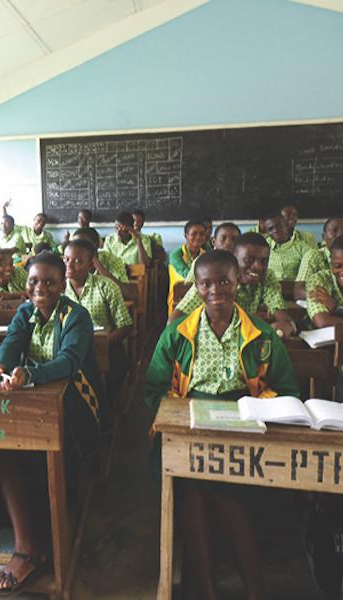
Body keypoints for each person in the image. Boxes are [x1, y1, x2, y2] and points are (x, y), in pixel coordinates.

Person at [145, 250, 299, 600]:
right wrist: (179, 417)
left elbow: (287, 390)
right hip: (189, 426)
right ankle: (215, 587)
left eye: (225, 281)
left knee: (217, 491)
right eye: (206, 283)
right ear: (196, 288)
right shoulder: (177, 334)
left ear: (239, 282)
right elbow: (154, 389)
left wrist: (257, 410)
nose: (216, 290)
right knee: (193, 487)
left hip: (245, 423)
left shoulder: (259, 334)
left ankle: (247, 586)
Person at [0, 252, 103, 596]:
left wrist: (30, 374)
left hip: (77, 402)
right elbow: (12, 343)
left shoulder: (76, 316)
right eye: (34, 281)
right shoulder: (26, 312)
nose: (41, 288)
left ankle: (32, 546)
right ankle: (28, 542)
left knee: (37, 452)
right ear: (26, 284)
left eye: (50, 282)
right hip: (34, 399)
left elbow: (69, 360)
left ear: (62, 285)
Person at [63, 239, 133, 421]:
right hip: (67, 349)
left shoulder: (106, 287)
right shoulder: (59, 289)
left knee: (114, 366)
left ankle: (106, 416)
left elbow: (125, 325)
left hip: (104, 346)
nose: (70, 265)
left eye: (78, 261)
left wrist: (101, 345)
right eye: (67, 259)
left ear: (90, 263)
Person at [175, 233, 296, 337]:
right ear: (234, 257)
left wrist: (287, 325)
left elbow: (280, 311)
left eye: (264, 261)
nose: (258, 267)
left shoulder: (266, 277)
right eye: (249, 260)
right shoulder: (215, 277)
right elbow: (174, 320)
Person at [293, 216, 343, 298]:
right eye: (334, 231)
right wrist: (326, 299)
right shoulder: (313, 256)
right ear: (323, 237)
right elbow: (299, 291)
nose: (341, 235)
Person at [167, 220, 207, 314]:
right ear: (186, 236)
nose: (198, 237)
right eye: (194, 234)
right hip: (179, 298)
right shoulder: (176, 254)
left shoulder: (205, 255)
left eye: (201, 234)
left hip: (201, 296)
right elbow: (186, 274)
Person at [262, 212, 310, 280]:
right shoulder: (263, 247)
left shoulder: (302, 248)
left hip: (294, 288)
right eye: (270, 229)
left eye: (279, 226)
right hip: (270, 288)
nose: (275, 230)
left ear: (286, 226)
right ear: (267, 232)